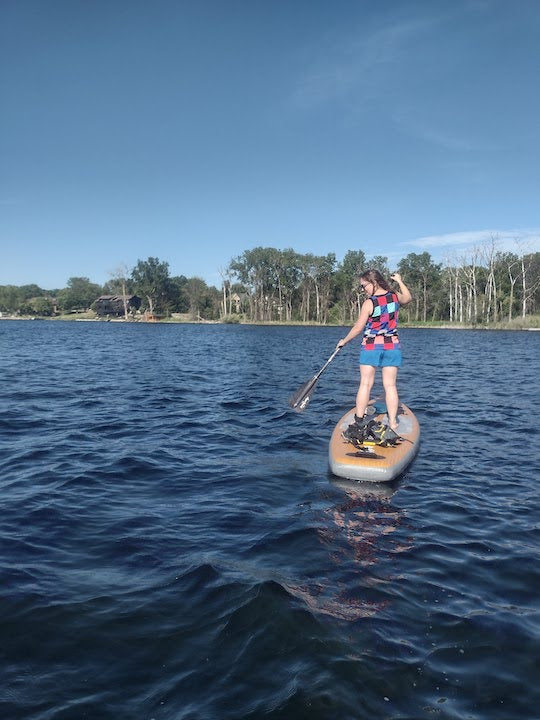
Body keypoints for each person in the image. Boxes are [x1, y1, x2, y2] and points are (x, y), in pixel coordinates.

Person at [336, 269, 412, 432]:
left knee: (365, 384)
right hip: (392, 346)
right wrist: (399, 281)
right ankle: (392, 422)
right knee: (390, 386)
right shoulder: (394, 296)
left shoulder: (369, 303)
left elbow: (358, 328)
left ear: (374, 283)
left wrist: (344, 341)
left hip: (371, 347)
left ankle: (359, 420)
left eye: (364, 286)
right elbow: (408, 298)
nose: (363, 290)